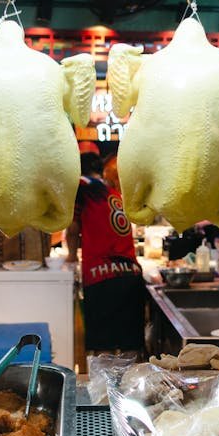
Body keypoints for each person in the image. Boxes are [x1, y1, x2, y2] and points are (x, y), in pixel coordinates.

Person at [66, 145, 146, 355]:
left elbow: (73, 228)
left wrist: (71, 256)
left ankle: (104, 389)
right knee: (130, 350)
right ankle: (130, 387)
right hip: (131, 276)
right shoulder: (112, 192)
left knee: (103, 351)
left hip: (102, 276)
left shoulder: (81, 187)